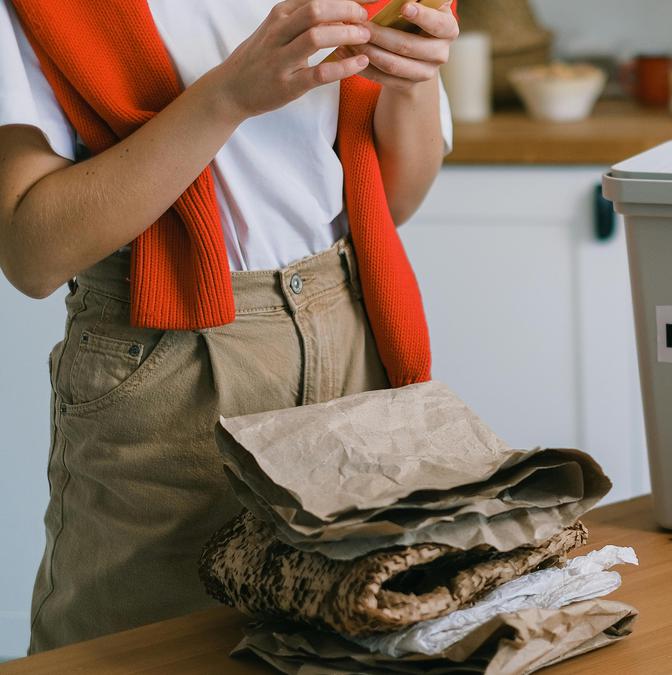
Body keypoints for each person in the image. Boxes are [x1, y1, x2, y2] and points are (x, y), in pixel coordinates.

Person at [0, 0, 458, 652]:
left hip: (355, 337)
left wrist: (412, 80)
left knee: (349, 646)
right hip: (167, 364)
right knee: (138, 649)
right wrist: (226, 96)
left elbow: (391, 201)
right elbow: (32, 251)